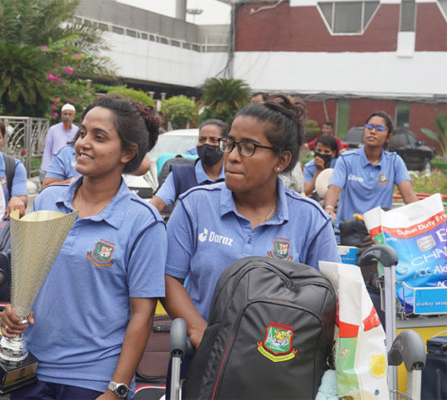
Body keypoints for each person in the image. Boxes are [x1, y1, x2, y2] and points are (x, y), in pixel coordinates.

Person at [0, 95, 166, 400]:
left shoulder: (143, 222)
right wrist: (15, 310)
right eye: (83, 133)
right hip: (30, 370)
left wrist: (116, 389)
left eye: (99, 137)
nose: (83, 143)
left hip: (93, 380)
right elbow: (26, 273)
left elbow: (142, 314)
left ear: (128, 153)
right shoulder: (50, 199)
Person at [162, 95, 340, 376]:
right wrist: (201, 333)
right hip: (202, 362)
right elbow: (168, 277)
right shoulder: (195, 205)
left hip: (279, 369)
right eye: (231, 144)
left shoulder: (310, 220)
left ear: (281, 160)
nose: (231, 156)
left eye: (248, 148)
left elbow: (331, 299)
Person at [323, 111, 418, 228]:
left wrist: (426, 218)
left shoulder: (394, 162)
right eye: (369, 127)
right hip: (346, 233)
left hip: (379, 234)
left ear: (389, 137)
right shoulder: (346, 159)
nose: (372, 132)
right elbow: (334, 188)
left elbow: (409, 196)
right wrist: (329, 208)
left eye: (379, 129)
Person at [150, 119, 228, 213]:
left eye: (213, 140)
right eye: (202, 140)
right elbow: (156, 205)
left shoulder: (233, 177)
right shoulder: (179, 175)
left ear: (225, 144)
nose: (206, 144)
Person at [40, 103, 79, 182]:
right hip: (56, 168)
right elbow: (48, 149)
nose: (67, 116)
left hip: (72, 169)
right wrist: (45, 168)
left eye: (70, 114)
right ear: (61, 115)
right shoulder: (53, 129)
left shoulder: (77, 131)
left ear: (73, 117)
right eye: (65, 114)